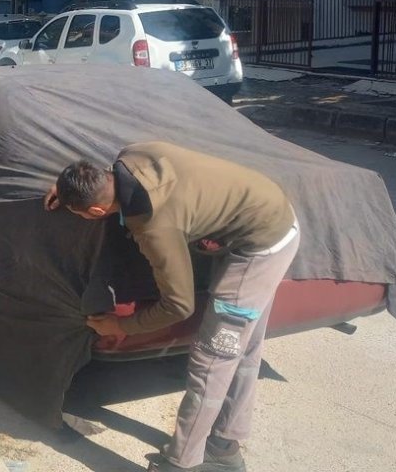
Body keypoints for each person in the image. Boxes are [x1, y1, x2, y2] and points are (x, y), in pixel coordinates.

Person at [44, 142, 300, 472]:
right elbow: (95, 183)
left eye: (78, 212)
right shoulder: (133, 155)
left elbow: (178, 305)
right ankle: (224, 445)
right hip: (266, 213)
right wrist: (68, 190)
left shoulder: (154, 226)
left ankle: (183, 462)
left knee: (214, 357)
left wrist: (120, 325)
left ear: (94, 212)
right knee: (242, 345)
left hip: (261, 247)